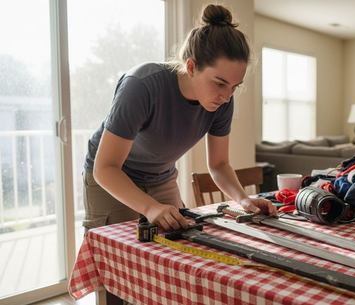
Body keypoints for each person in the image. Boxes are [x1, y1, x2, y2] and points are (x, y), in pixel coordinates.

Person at [82, 3, 277, 235]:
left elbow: (219, 164)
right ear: (192, 67)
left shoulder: (222, 101)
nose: (226, 96)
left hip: (162, 177)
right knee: (118, 253)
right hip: (113, 179)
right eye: (219, 83)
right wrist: (150, 207)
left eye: (235, 86)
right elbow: (105, 168)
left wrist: (244, 200)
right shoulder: (141, 86)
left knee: (180, 242)